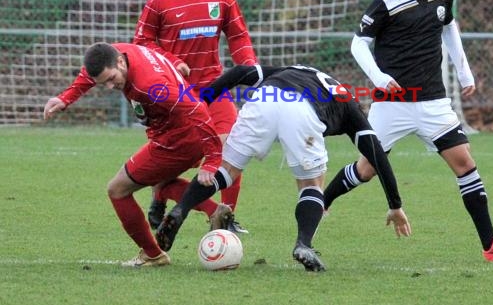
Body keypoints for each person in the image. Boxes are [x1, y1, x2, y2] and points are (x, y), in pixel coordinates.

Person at [333, 0, 493, 261]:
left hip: (433, 102)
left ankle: (491, 244)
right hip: (392, 103)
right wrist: (378, 78)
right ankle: (321, 202)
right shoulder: (385, 1)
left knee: (465, 164)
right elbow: (358, 44)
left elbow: (449, 28)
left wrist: (464, 71)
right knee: (366, 170)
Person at [154, 64, 412, 272]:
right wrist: (395, 205)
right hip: (303, 111)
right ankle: (303, 245)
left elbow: (239, 72)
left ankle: (181, 209)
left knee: (225, 171)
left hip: (264, 100)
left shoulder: (292, 69)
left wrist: (201, 104)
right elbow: (377, 156)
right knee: (311, 185)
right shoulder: (349, 105)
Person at [43, 42, 231, 267]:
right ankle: (213, 210)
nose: (111, 86)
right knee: (160, 183)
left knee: (117, 189)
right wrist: (66, 98)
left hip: (177, 141)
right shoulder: (119, 50)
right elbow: (89, 73)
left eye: (112, 79)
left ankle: (153, 254)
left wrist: (212, 159)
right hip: (172, 134)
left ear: (120, 63)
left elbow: (196, 109)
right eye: (104, 83)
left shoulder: (148, 85)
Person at [132, 0, 257, 234]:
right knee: (173, 162)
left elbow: (237, 36)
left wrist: (249, 66)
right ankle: (160, 195)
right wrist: (172, 62)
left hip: (215, 88)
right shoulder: (160, 1)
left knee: (234, 148)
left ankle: (226, 217)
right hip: (176, 94)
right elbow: (142, 43)